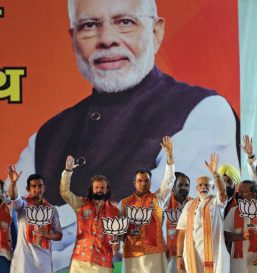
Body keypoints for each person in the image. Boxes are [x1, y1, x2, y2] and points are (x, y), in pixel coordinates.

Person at [11, 1, 239, 268]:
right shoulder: (46, 136)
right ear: (73, 39)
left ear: (156, 32)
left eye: (125, 22)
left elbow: (156, 219)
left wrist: (56, 232)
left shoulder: (204, 110)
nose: (107, 39)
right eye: (89, 26)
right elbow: (18, 233)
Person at [119, 136, 175, 273]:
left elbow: (169, 181)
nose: (143, 183)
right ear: (134, 183)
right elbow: (119, 230)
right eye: (140, 181)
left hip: (154, 253)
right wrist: (120, 235)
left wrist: (169, 156)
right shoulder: (125, 203)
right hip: (133, 254)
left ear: (150, 182)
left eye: (146, 180)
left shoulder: (158, 198)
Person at [60, 155, 120, 273]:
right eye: (96, 187)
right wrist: (67, 171)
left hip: (103, 262)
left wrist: (116, 244)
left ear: (107, 189)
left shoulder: (115, 211)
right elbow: (65, 193)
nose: (99, 190)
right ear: (92, 189)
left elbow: (117, 236)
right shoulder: (81, 204)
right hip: (80, 261)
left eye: (102, 188)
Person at [176, 153, 229, 273]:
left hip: (215, 255)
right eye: (200, 185)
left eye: (207, 185)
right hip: (192, 255)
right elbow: (181, 233)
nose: (203, 187)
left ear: (213, 188)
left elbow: (223, 192)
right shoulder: (189, 205)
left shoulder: (217, 202)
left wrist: (215, 174)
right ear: (196, 189)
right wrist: (179, 256)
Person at [8, 166, 62, 273]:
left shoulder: (51, 209)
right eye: (33, 186)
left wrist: (48, 235)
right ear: (28, 189)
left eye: (40, 186)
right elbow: (14, 197)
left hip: (43, 260)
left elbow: (59, 234)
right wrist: (13, 183)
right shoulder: (23, 204)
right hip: (23, 259)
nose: (37, 189)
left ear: (44, 188)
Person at [224, 180, 257, 273]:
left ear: (254, 194)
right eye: (239, 192)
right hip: (238, 262)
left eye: (244, 192)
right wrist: (240, 236)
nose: (240, 195)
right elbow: (226, 233)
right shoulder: (233, 211)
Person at [165, 172, 192, 273]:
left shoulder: (194, 203)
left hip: (190, 252)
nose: (184, 188)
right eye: (180, 185)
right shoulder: (164, 204)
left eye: (187, 185)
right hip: (170, 254)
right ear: (172, 188)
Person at [0, 179, 17, 273]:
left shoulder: (9, 209)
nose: (7, 195)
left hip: (8, 257)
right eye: (4, 192)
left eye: (7, 192)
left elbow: (15, 234)